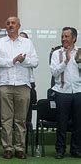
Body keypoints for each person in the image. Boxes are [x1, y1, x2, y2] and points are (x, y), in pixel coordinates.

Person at [0, 16, 38, 159]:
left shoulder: (27, 42)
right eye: (8, 23)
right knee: (5, 119)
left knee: (21, 119)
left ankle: (20, 148)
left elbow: (35, 62)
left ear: (19, 25)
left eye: (13, 23)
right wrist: (12, 60)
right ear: (5, 26)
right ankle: (7, 148)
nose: (10, 25)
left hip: (23, 85)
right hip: (4, 84)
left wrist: (23, 60)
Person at [49, 27, 81, 159]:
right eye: (62, 36)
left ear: (74, 38)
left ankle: (76, 149)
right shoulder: (57, 53)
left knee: (78, 123)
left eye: (66, 36)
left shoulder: (80, 52)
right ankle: (60, 150)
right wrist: (66, 60)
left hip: (79, 91)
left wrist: (79, 63)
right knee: (61, 123)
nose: (64, 39)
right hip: (62, 92)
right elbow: (54, 72)